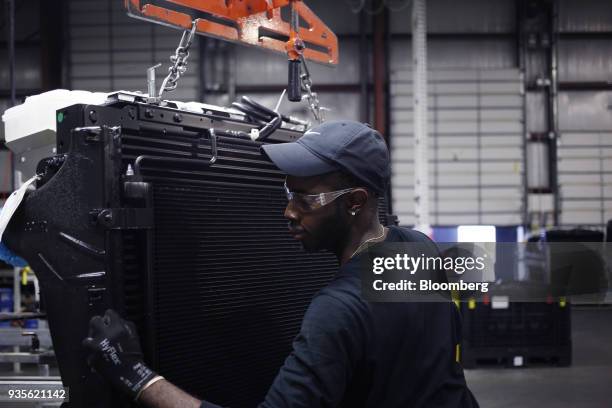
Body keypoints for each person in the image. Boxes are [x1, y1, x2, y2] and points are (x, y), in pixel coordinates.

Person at [83, 120, 479, 408]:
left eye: (306, 198)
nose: (288, 211)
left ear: (355, 201)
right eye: (288, 191)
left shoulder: (337, 310)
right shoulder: (422, 249)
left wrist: (137, 376)